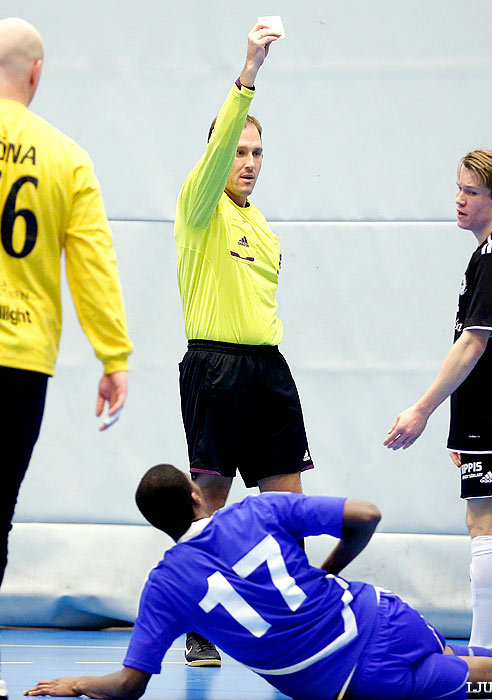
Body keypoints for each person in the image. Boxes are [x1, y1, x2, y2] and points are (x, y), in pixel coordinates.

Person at [23, 464, 492, 700]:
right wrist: (330, 570)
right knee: (477, 666)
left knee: (484, 682)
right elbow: (367, 515)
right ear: (197, 496)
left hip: (353, 682)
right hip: (382, 615)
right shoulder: (255, 509)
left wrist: (76, 683)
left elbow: (130, 686)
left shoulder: (164, 587)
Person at [0, 17, 133, 700]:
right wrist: (113, 356)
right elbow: (93, 264)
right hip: (18, 361)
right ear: (36, 74)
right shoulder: (64, 155)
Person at [173, 21, 314, 666]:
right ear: (217, 155)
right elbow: (223, 138)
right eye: (240, 151)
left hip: (268, 370)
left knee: (286, 503)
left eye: (259, 155)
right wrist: (250, 68)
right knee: (209, 502)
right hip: (215, 368)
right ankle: (205, 621)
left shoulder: (263, 228)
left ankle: (297, 618)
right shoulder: (198, 208)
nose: (249, 164)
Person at [384, 150, 492, 663]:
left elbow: (473, 343)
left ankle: (482, 658)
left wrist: (422, 410)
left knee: (483, 523)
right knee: (490, 523)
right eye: (458, 188)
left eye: (471, 192)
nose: (459, 199)